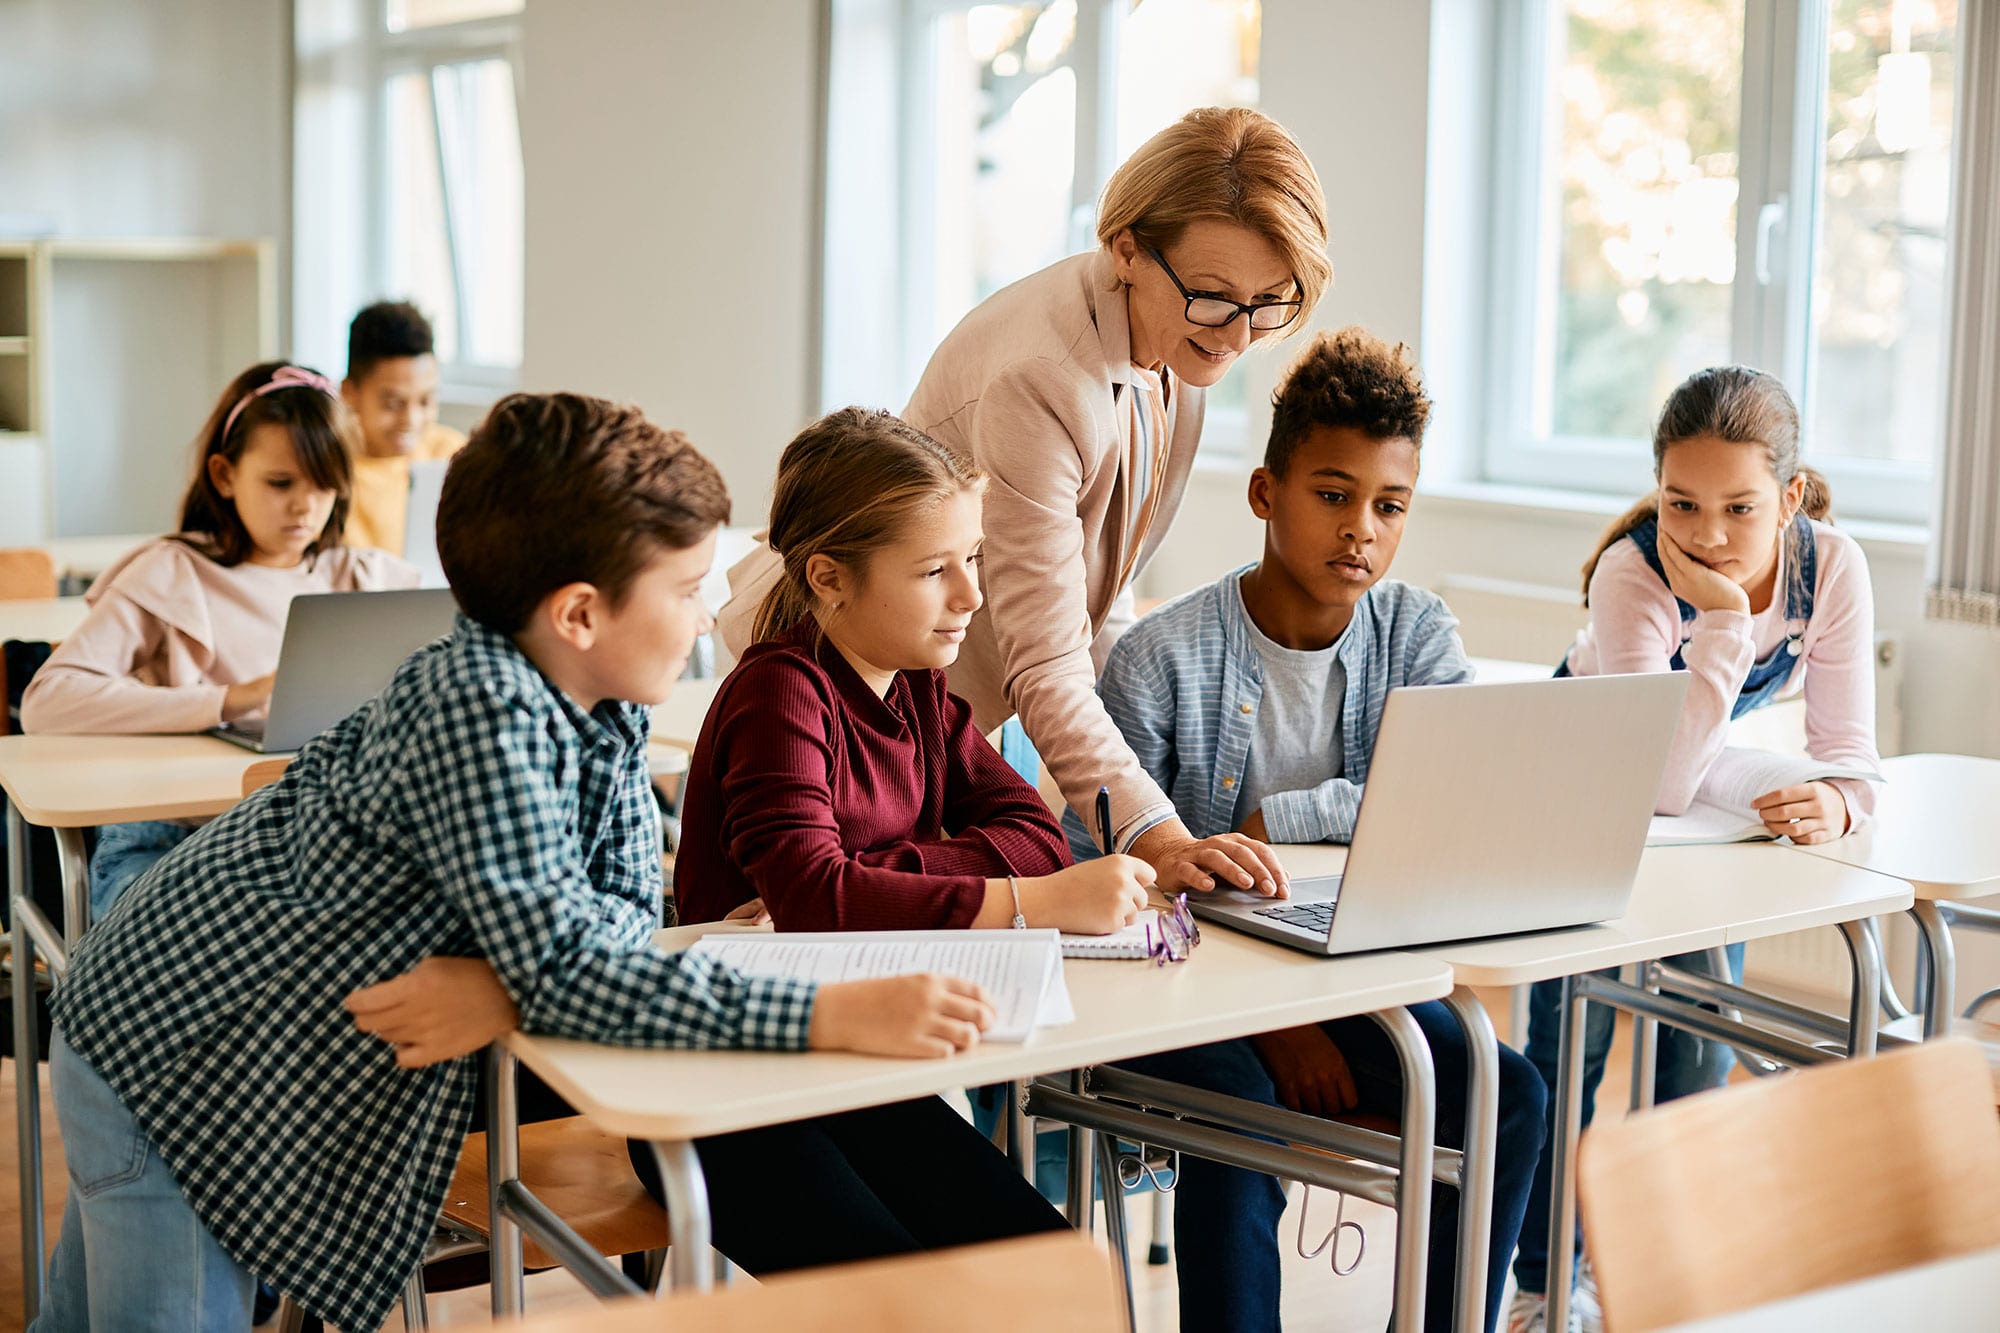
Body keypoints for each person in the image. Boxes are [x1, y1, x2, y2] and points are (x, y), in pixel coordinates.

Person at [31, 392, 1000, 1333]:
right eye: (684, 586)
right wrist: (829, 1009)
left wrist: (518, 986)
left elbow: (617, 928)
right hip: (176, 1052)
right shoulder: (481, 705)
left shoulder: (606, 703)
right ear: (579, 613)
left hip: (237, 1045)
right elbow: (583, 965)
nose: (710, 611)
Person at [723, 106, 1330, 901]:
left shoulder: (1181, 346)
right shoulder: (1044, 375)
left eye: (1270, 302)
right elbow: (1046, 656)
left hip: (935, 708)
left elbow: (1093, 607)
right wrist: (1157, 830)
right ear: (1127, 249)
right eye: (1215, 296)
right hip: (845, 686)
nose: (1238, 334)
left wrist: (1158, 808)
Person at [1085, 329, 1548, 1333]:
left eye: (1389, 507)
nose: (1361, 533)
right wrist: (1269, 1018)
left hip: (1354, 978)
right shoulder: (1156, 661)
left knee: (1509, 1092)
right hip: (1185, 998)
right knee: (1232, 1110)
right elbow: (1111, 881)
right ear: (1264, 493)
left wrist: (1275, 821)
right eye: (1331, 495)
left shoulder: (1416, 632)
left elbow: (1448, 797)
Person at [1508, 366, 1881, 1333]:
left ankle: (1672, 1276)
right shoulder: (1634, 572)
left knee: (1699, 1040)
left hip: (1691, 769)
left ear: (1791, 497)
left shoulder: (1831, 567)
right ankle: (1549, 1283)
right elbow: (1651, 783)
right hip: (1587, 774)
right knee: (1571, 1045)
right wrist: (1720, 617)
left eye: (1739, 506)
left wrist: (1837, 805)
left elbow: (1850, 756)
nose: (1706, 533)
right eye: (1683, 502)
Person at [21, 361, 418, 916]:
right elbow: (46, 703)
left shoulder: (369, 578)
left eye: (325, 485)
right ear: (225, 475)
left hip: (311, 838)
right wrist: (232, 699)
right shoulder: (169, 572)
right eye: (281, 483)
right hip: (174, 837)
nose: (305, 506)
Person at [340, 300, 467, 553]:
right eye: (393, 404)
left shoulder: (452, 454)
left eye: (425, 401)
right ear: (349, 393)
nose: (411, 420)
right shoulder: (330, 472)